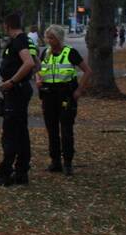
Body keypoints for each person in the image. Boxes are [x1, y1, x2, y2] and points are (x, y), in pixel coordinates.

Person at [0, 13, 36, 188]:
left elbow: (29, 63)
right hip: (17, 92)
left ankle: (5, 173)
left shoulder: (20, 40)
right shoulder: (21, 41)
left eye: (3, 26)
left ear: (7, 25)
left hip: (16, 92)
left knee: (10, 133)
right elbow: (34, 62)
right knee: (20, 132)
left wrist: (12, 81)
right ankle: (21, 172)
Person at [36, 24, 92, 176]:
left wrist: (79, 89)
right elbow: (40, 70)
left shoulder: (70, 53)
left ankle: (68, 162)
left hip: (65, 95)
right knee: (51, 130)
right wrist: (38, 79)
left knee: (66, 130)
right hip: (48, 95)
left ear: (59, 38)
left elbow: (87, 71)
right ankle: (55, 162)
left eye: (52, 37)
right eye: (47, 37)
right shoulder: (45, 53)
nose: (49, 40)